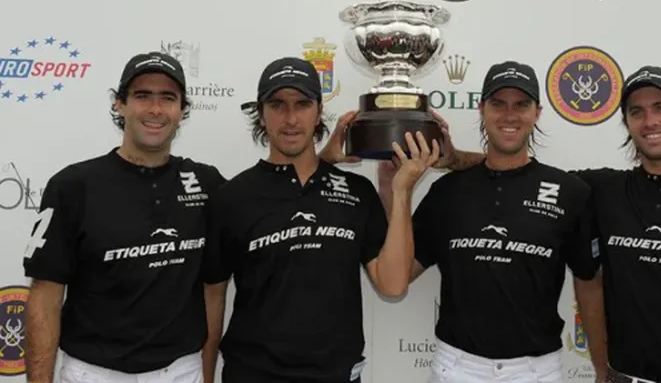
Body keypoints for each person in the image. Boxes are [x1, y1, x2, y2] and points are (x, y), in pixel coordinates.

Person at [438, 65, 661, 382]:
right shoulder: (601, 190)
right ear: (627, 122)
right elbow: (519, 173)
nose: (650, 121)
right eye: (636, 112)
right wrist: (453, 158)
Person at [201, 56, 441, 383]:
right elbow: (212, 302)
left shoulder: (356, 191)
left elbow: (393, 283)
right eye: (277, 105)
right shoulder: (231, 197)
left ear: (318, 112)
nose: (290, 118)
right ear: (261, 112)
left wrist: (400, 192)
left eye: (302, 104)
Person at [372, 61, 607, 383]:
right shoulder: (448, 190)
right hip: (456, 368)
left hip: (536, 371)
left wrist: (602, 368)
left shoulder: (570, 193)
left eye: (521, 105)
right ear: (481, 108)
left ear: (537, 112)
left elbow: (589, 284)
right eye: (498, 104)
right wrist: (391, 191)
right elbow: (399, 274)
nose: (509, 115)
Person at [22, 51, 227, 383]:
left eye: (168, 98)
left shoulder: (207, 183)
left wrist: (319, 161)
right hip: (92, 373)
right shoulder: (73, 186)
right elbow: (45, 295)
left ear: (182, 109)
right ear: (119, 104)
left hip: (179, 372)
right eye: (142, 96)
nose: (155, 110)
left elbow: (265, 202)